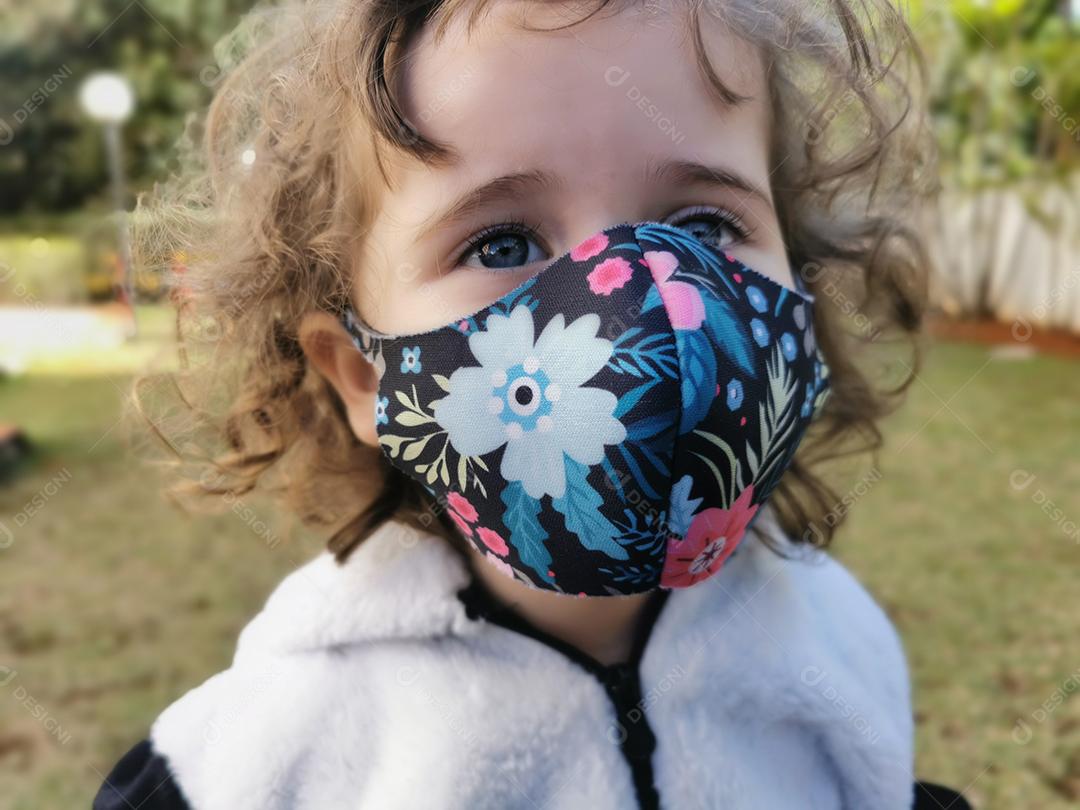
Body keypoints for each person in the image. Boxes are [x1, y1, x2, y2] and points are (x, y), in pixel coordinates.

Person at [94, 0, 973, 807]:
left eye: (703, 226)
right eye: (504, 239)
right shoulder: (273, 750)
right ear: (361, 376)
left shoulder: (836, 656)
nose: (632, 307)